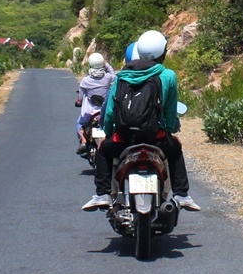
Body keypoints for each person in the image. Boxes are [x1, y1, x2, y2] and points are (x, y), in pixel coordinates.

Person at [81, 29, 199, 213]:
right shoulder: (168, 76)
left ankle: (102, 194)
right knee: (175, 148)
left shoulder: (122, 76)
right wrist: (168, 130)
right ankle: (182, 195)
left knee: (103, 150)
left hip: (124, 139)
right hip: (156, 138)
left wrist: (109, 133)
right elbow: (169, 110)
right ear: (162, 53)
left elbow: (110, 110)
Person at [74, 52, 115, 156]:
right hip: (104, 110)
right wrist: (106, 64)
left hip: (90, 112)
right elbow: (114, 75)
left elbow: (81, 97)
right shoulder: (107, 78)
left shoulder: (85, 81)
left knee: (79, 124)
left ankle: (83, 141)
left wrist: (79, 102)